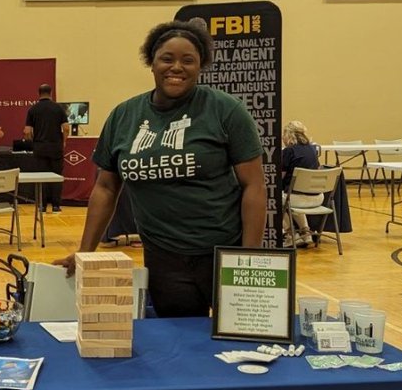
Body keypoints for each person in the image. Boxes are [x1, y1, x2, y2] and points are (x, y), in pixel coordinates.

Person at [58, 19, 266, 318]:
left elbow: (254, 186)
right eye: (167, 59)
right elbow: (105, 188)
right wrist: (85, 252)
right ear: (151, 63)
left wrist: (249, 258)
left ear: (201, 65)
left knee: (236, 336)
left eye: (188, 60)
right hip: (163, 258)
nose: (176, 67)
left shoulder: (226, 110)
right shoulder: (124, 116)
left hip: (224, 251)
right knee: (179, 338)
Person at [24, 84, 69, 212]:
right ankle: (56, 205)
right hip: (56, 147)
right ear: (51, 93)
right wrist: (63, 141)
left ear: (38, 93)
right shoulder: (59, 108)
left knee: (42, 177)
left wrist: (33, 141)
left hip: (40, 148)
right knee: (57, 176)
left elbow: (27, 131)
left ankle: (42, 205)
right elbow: (66, 128)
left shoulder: (33, 109)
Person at [281, 120, 322, 247]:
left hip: (296, 199)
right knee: (295, 195)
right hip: (318, 198)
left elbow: (280, 178)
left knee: (274, 199)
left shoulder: (288, 151)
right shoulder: (313, 149)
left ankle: (290, 235)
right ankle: (306, 232)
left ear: (288, 135)